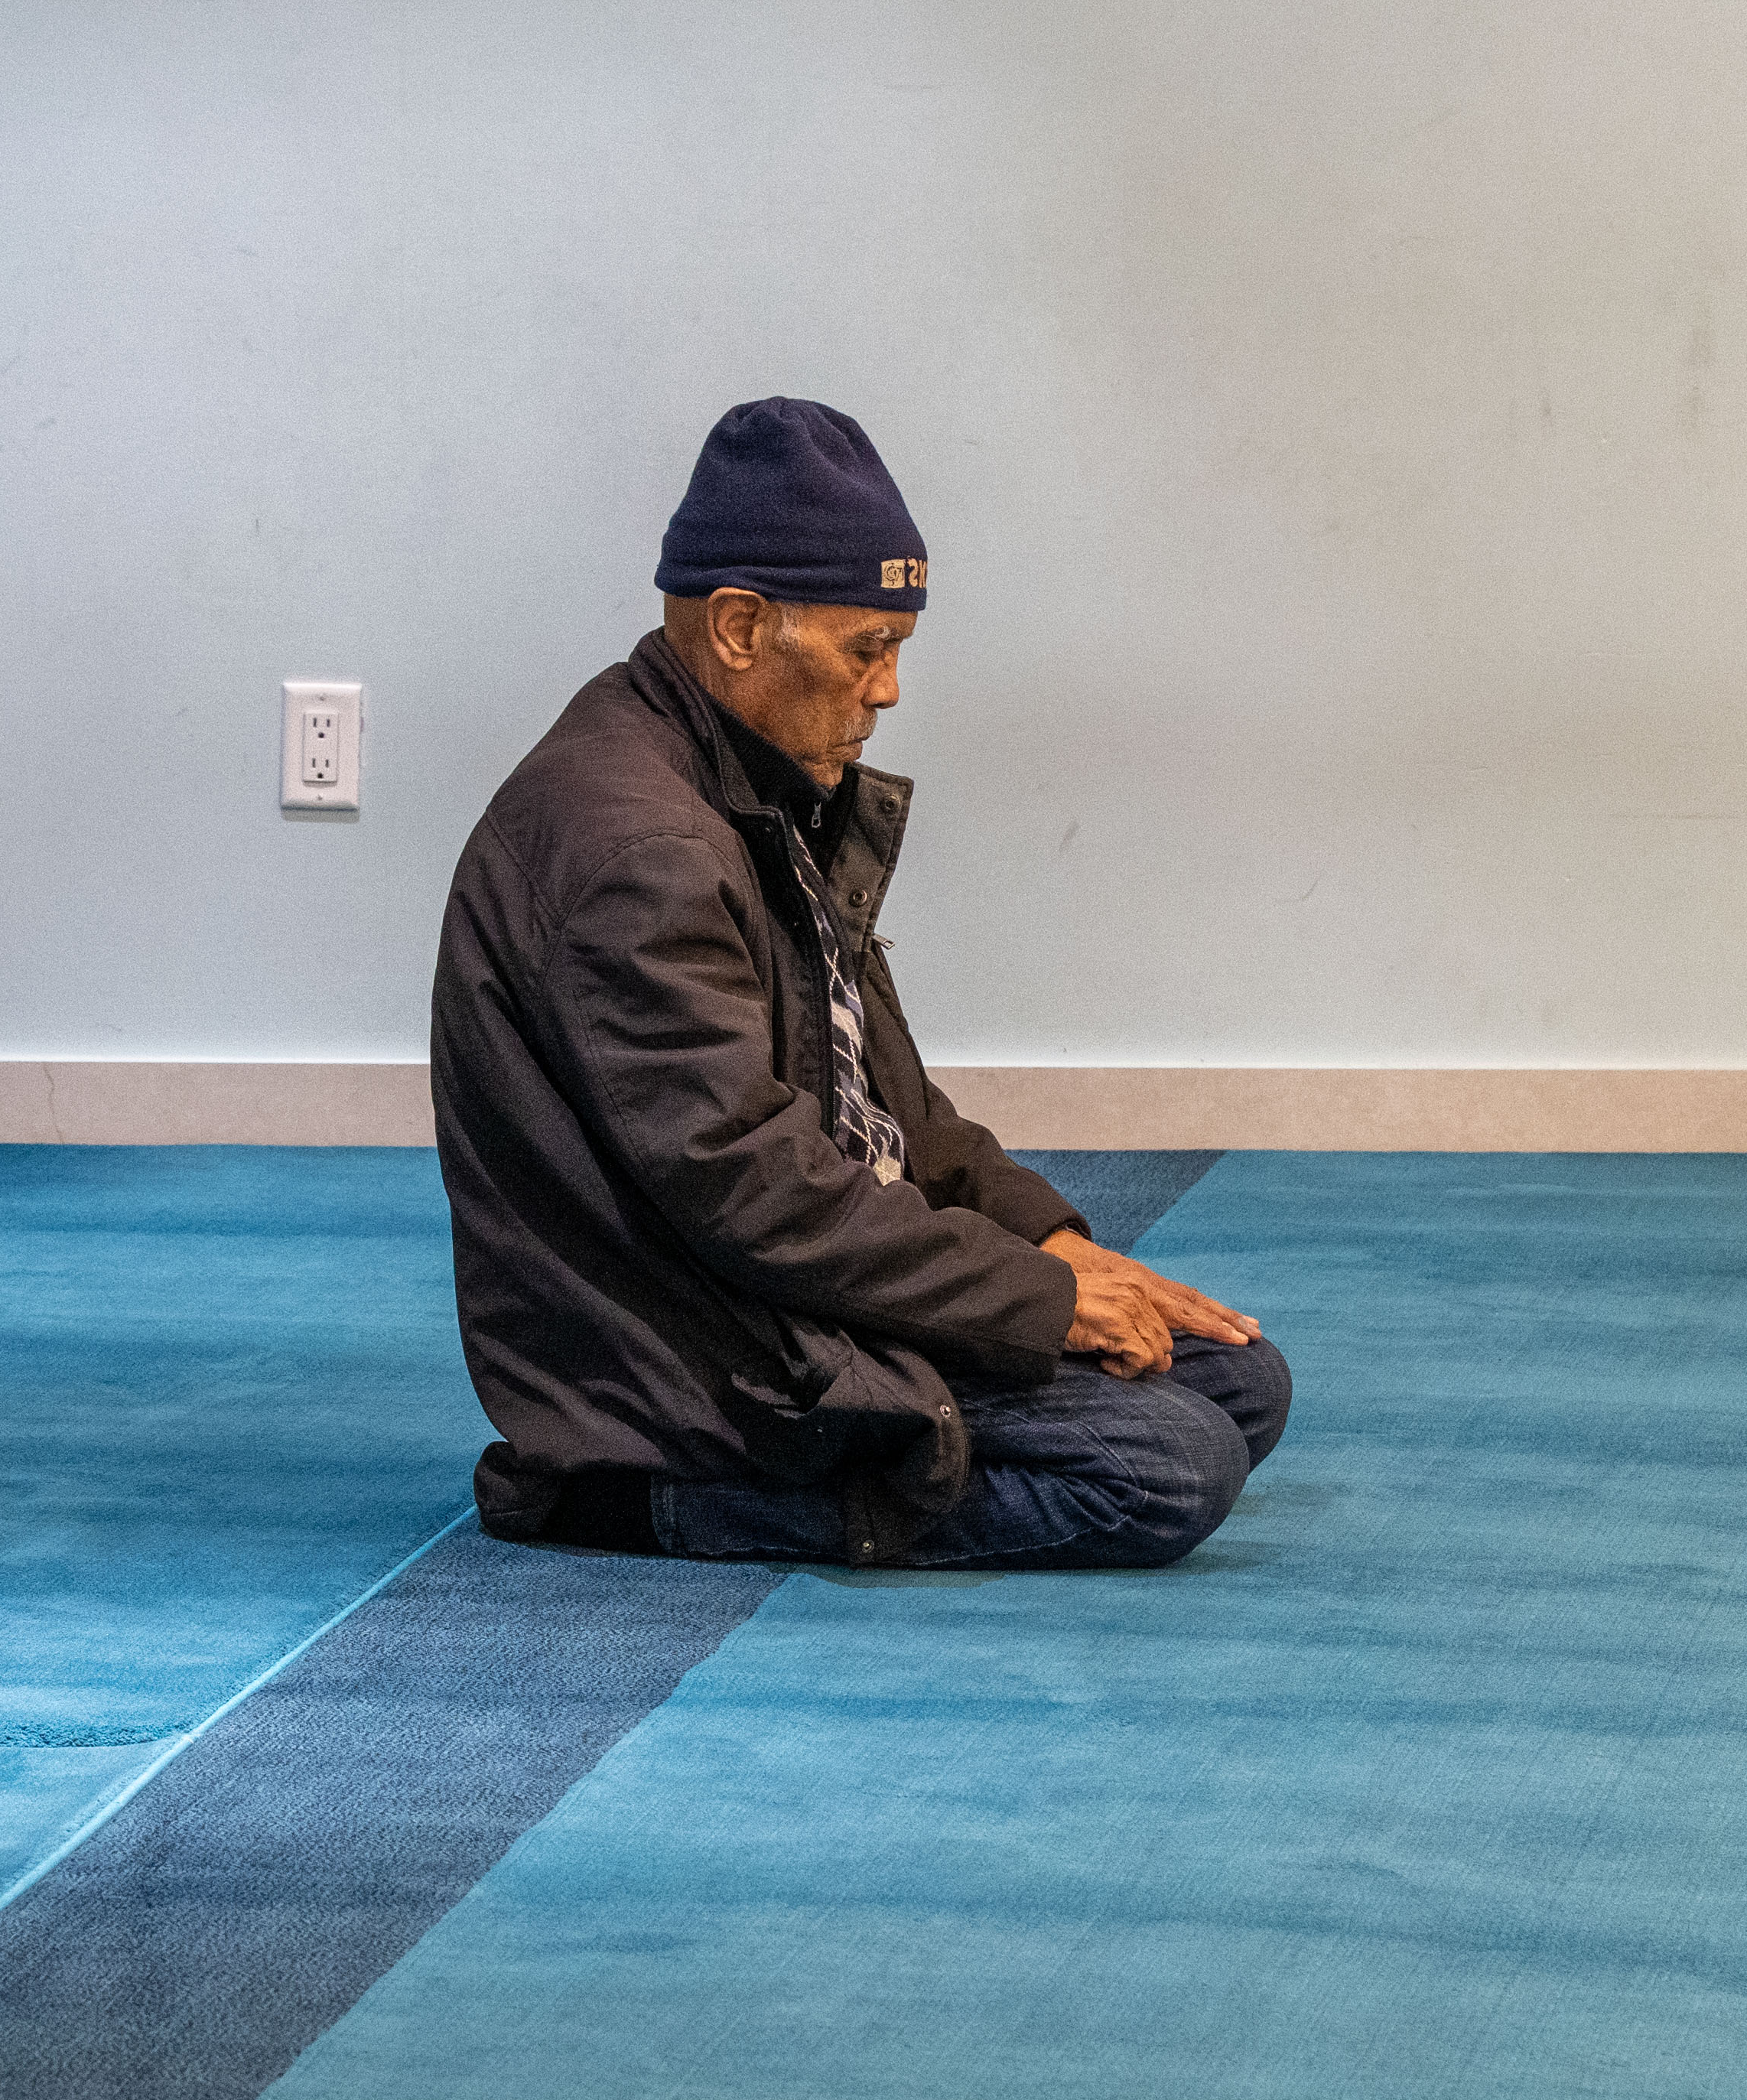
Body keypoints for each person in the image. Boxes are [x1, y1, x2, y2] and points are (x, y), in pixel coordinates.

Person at [431, 397, 1289, 1569]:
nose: (886, 693)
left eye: (896, 652)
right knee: (1169, 1469)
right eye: (864, 652)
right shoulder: (639, 852)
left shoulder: (756, 778)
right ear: (738, 627)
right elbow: (753, 1191)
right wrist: (1025, 1300)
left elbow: (890, 1108)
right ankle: (634, 1501)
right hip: (693, 1366)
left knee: (1239, 1382)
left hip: (796, 1294)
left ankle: (938, 1422)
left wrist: (1045, 1242)